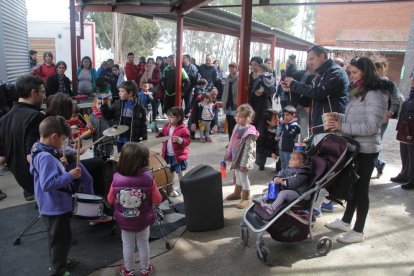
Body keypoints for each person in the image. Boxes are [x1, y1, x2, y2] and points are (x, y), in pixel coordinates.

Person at [324, 57, 389, 243]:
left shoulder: (376, 93)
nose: (350, 76)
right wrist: (340, 117)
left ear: (365, 71)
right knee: (352, 185)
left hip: (366, 151)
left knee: (361, 190)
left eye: (353, 72)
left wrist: (341, 126)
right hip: (355, 148)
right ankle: (345, 221)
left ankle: (358, 231)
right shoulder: (361, 90)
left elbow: (371, 127)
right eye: (350, 72)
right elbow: (356, 117)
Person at [29, 116, 81, 276]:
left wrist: (60, 166)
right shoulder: (46, 157)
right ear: (54, 136)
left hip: (48, 205)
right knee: (61, 241)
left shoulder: (38, 148)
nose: (63, 144)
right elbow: (47, 184)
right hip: (55, 206)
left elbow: (34, 171)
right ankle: (59, 270)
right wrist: (69, 176)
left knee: (54, 238)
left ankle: (59, 262)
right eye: (63, 140)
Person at [106, 142, 162, 276]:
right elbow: (157, 200)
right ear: (144, 161)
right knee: (143, 243)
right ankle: (145, 269)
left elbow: (109, 200)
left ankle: (128, 270)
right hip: (143, 220)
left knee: (127, 244)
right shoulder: (149, 179)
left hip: (124, 221)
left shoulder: (116, 179)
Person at [283, 45, 349, 136]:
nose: (309, 62)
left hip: (331, 128)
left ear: (322, 56)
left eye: (311, 59)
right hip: (319, 127)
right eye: (308, 60)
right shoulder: (319, 75)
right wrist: (289, 90)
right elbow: (307, 101)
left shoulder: (335, 72)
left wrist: (294, 84)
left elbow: (320, 93)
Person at [0, 75, 45, 200]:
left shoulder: (4, 119)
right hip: (35, 178)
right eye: (42, 92)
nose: (44, 96)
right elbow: (32, 156)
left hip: (20, 178)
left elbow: (2, 158)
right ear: (33, 93)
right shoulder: (36, 117)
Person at [373, 58, 404, 178]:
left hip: (382, 118)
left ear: (381, 69)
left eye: (374, 69)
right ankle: (379, 164)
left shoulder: (388, 83)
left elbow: (396, 99)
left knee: (373, 145)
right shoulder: (369, 82)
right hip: (370, 117)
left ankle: (377, 164)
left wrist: (389, 113)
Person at [224, 104, 259, 209]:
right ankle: (237, 192)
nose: (237, 118)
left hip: (244, 157)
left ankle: (245, 197)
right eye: (237, 115)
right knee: (237, 174)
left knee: (243, 177)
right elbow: (232, 141)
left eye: (240, 116)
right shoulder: (237, 126)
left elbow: (249, 150)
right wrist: (228, 153)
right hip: (236, 155)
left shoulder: (250, 132)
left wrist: (245, 164)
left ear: (248, 118)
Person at [254, 151, 311, 216]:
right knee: (273, 184)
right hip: (287, 188)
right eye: (291, 158)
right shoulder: (289, 169)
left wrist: (282, 182)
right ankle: (263, 199)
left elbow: (294, 182)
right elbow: (281, 173)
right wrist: (276, 178)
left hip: (297, 193)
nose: (291, 160)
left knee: (283, 193)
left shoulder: (303, 172)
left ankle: (272, 208)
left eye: (294, 159)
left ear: (301, 164)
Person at [101, 80, 147, 152]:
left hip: (132, 140)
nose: (119, 93)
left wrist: (144, 137)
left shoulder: (139, 107)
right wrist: (104, 105)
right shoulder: (117, 104)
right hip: (120, 139)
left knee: (131, 158)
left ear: (130, 93)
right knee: (121, 157)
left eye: (122, 91)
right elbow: (107, 116)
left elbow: (143, 124)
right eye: (119, 91)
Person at [157, 107, 190, 197]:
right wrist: (158, 133)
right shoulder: (166, 127)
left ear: (178, 118)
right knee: (170, 174)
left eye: (171, 117)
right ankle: (171, 188)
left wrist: (180, 140)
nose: (169, 119)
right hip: (167, 155)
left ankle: (183, 188)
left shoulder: (183, 129)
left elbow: (187, 141)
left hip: (178, 156)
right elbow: (162, 136)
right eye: (168, 117)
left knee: (180, 174)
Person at [392, 70, 414, 189]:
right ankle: (404, 174)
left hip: (411, 128)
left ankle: (412, 179)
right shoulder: (411, 93)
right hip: (406, 127)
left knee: (412, 155)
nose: (411, 80)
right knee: (405, 152)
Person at [249, 63, 276, 131]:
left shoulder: (260, 78)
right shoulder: (272, 78)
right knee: (265, 122)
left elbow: (253, 91)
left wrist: (255, 93)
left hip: (257, 104)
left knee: (257, 123)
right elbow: (273, 91)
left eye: (260, 70)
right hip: (267, 104)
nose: (259, 71)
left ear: (264, 70)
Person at [89, 96, 114, 161]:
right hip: (97, 141)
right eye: (99, 104)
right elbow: (89, 129)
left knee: (107, 160)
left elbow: (112, 126)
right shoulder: (92, 116)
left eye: (102, 104)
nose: (100, 106)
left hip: (107, 141)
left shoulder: (108, 114)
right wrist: (89, 129)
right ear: (95, 105)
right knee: (96, 159)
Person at [279, 105, 301, 170]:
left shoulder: (294, 125)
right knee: (282, 163)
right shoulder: (286, 124)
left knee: (288, 164)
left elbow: (288, 134)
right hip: (282, 148)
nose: (285, 117)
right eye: (284, 115)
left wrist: (283, 124)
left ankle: (288, 177)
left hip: (288, 150)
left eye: (288, 115)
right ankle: (283, 175)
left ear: (293, 115)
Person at [221, 62, 239, 140]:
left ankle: (234, 142)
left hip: (235, 104)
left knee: (235, 123)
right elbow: (225, 91)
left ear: (236, 68)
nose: (231, 69)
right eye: (230, 68)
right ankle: (230, 141)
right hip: (228, 104)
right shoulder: (227, 78)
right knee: (229, 123)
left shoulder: (239, 78)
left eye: (233, 68)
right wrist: (223, 102)